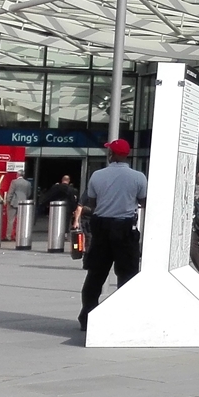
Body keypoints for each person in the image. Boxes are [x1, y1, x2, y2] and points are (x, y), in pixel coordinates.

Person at [78, 139, 148, 331]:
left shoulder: (97, 175)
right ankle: (124, 316)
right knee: (127, 274)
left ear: (112, 154)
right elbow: (143, 201)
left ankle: (87, 316)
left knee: (96, 274)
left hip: (101, 227)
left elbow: (92, 202)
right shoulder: (138, 177)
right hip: (125, 228)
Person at [6, 171, 35, 242]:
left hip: (13, 203)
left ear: (17, 175)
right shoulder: (28, 183)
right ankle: (18, 236)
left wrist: (8, 201)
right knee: (20, 221)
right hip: (23, 203)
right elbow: (29, 193)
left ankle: (9, 236)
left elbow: (11, 192)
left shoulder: (14, 182)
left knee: (11, 220)